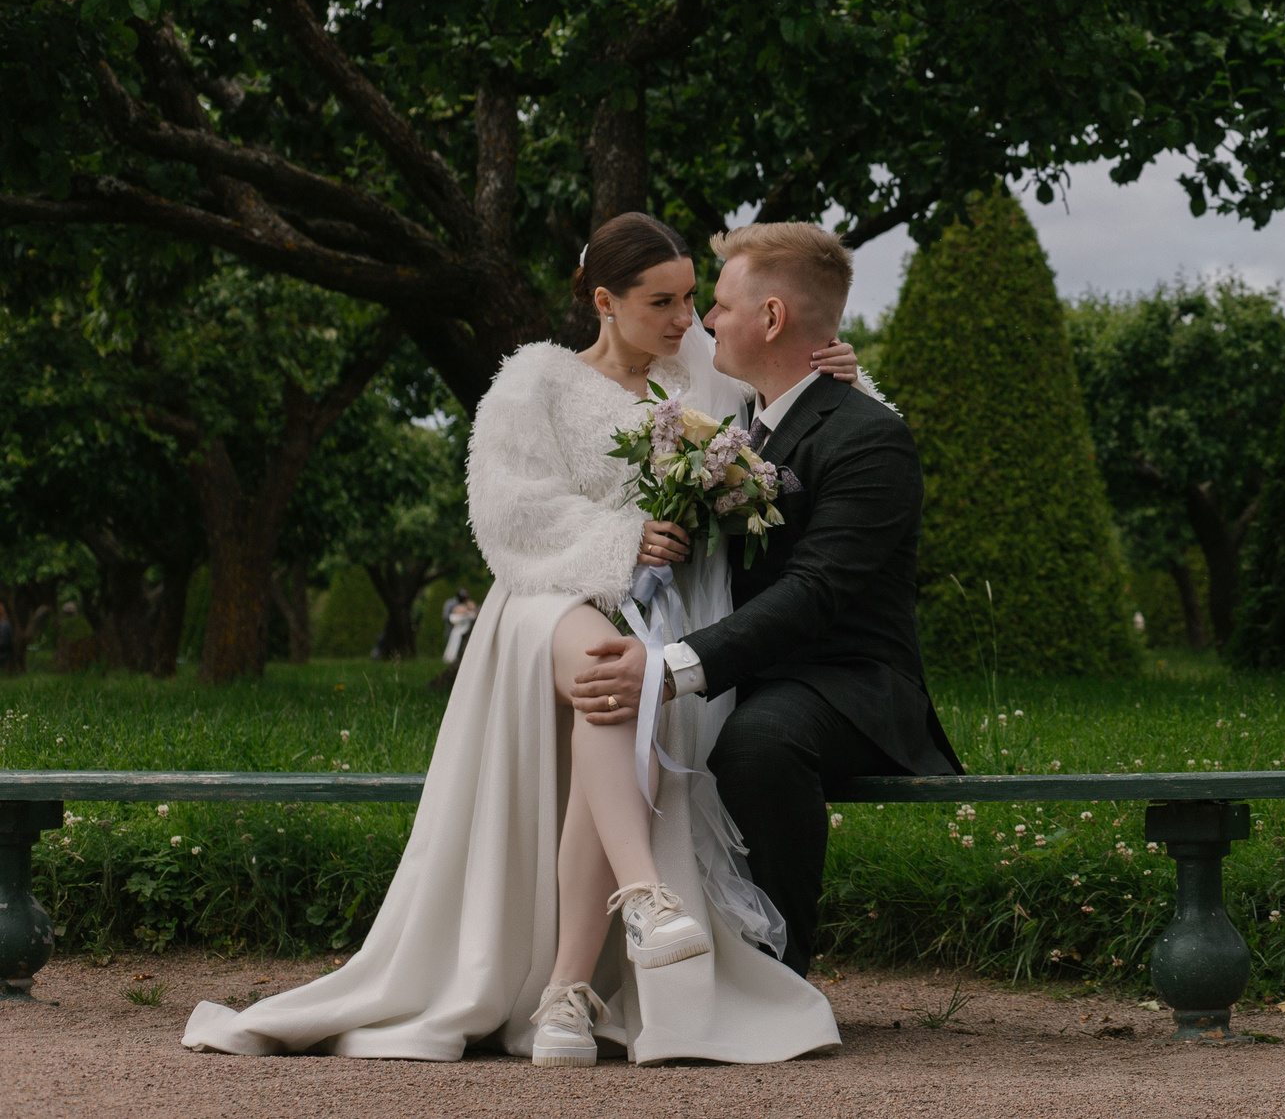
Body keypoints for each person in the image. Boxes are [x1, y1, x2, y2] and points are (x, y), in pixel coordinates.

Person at [181, 212, 872, 1065]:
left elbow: (788, 416)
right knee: (599, 658)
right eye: (662, 301)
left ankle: (564, 999)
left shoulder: (697, 378)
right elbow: (507, 515)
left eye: (693, 298)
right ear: (604, 300)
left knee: (616, 683)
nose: (685, 318)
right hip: (544, 605)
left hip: (651, 623)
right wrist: (626, 543)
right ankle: (648, 893)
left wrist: (836, 366)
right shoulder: (532, 382)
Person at [573, 221, 961, 976]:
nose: (705, 321)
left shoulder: (868, 437)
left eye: (717, 303)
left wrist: (668, 667)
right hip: (747, 668)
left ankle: (779, 975)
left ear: (773, 318)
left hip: (848, 683)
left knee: (756, 740)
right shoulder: (738, 426)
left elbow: (817, 591)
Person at [440, 591, 479, 666]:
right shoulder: (466, 608)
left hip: (457, 631)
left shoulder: (457, 609)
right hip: (460, 631)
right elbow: (473, 616)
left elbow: (452, 619)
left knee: (454, 646)